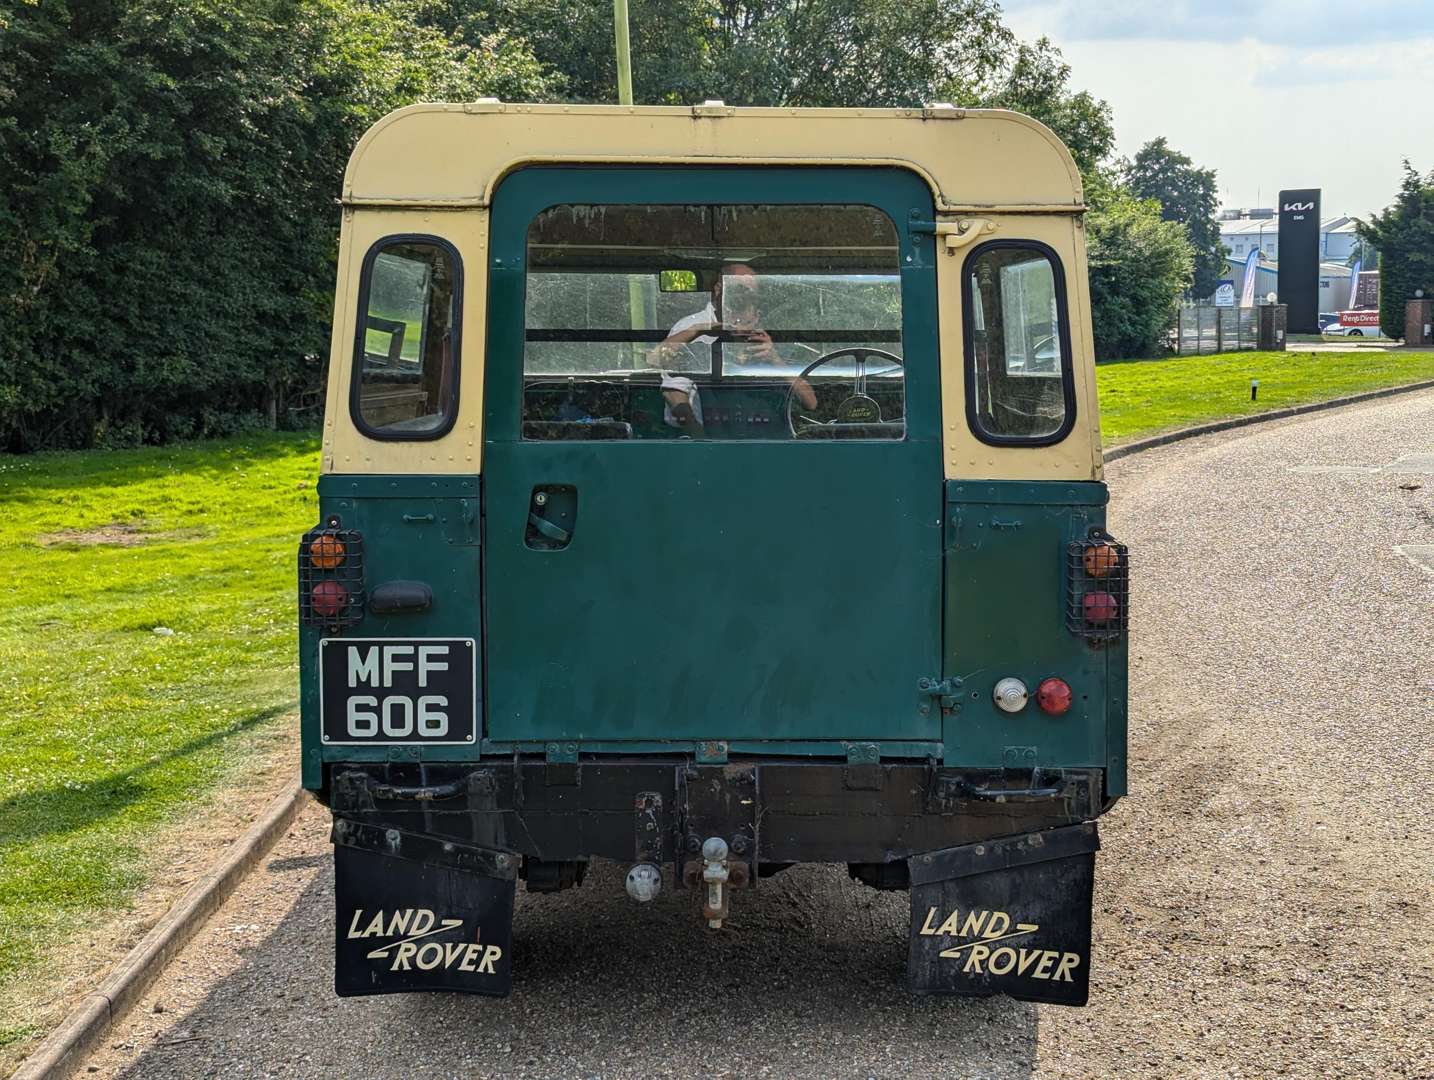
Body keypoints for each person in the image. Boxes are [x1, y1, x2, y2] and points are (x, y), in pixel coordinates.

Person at [649, 263, 815, 433]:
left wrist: (774, 359)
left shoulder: (766, 333)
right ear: (719, 289)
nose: (744, 297)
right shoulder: (691, 328)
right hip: (710, 430)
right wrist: (700, 437)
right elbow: (666, 379)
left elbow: (810, 402)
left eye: (751, 294)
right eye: (738, 290)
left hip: (765, 434)